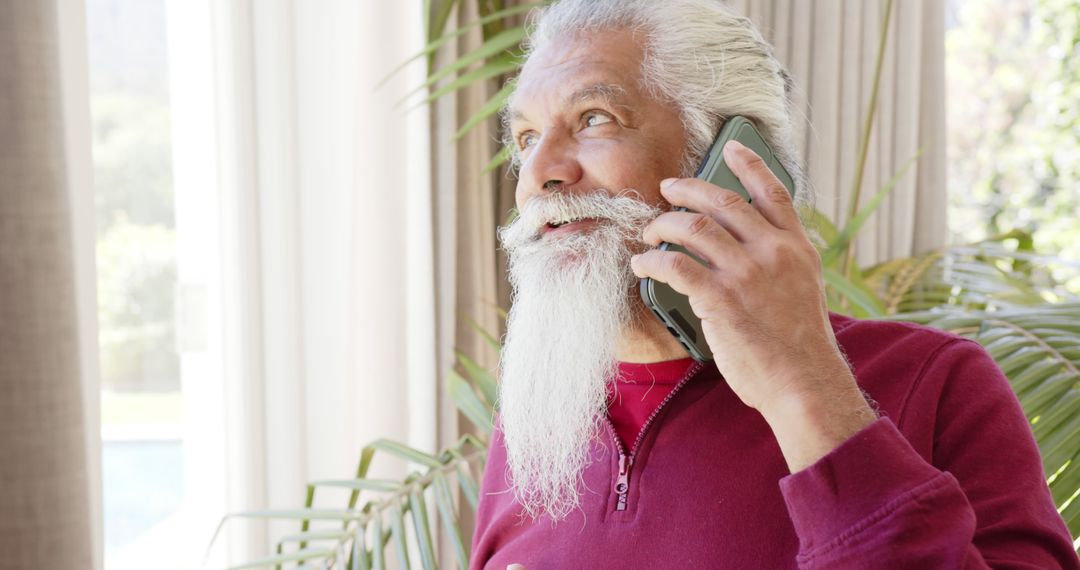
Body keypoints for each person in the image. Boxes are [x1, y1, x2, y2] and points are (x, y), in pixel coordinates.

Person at [470, 0, 1079, 568]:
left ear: (730, 159)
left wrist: (803, 386)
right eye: (526, 139)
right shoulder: (538, 416)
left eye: (593, 119)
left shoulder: (937, 382)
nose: (538, 176)